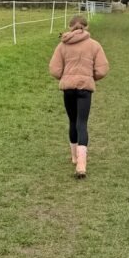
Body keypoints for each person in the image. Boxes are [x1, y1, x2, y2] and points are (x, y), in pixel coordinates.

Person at [49, 15, 109, 179]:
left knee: (72, 121)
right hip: (85, 88)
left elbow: (54, 70)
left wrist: (65, 76)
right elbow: (102, 69)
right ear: (86, 26)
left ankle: (74, 157)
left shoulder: (62, 46)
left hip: (68, 88)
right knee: (82, 123)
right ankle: (82, 164)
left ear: (70, 27)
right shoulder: (94, 45)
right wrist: (90, 77)